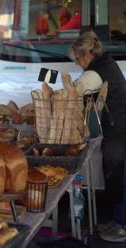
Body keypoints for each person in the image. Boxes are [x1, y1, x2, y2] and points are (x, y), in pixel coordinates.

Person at [69, 31, 126, 242]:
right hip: (120, 127)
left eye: (77, 60)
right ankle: (117, 222)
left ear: (85, 56)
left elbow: (74, 91)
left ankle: (121, 227)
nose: (78, 64)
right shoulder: (106, 63)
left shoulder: (94, 72)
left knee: (117, 175)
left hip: (119, 130)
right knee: (114, 175)